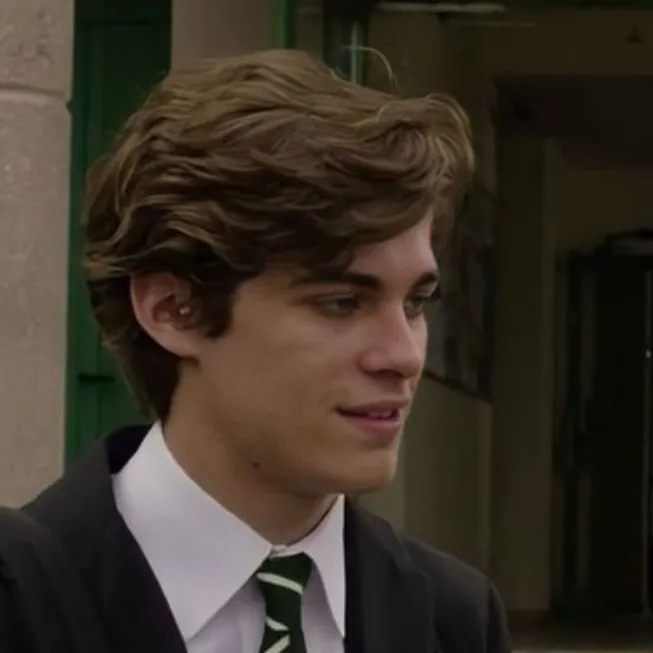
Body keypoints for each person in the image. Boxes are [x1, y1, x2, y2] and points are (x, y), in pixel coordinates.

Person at [0, 49, 511, 653]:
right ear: (173, 309)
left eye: (416, 302)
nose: (402, 356)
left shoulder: (455, 619)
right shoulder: (24, 603)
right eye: (341, 303)